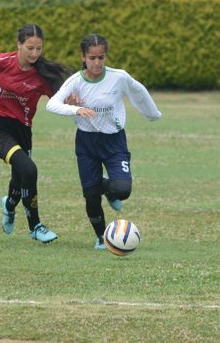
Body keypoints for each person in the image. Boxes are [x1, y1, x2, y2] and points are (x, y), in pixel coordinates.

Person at [46, 34, 162, 250]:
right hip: (86, 142)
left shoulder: (119, 77)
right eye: (92, 58)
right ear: (83, 57)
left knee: (122, 190)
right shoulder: (75, 82)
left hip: (114, 141)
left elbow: (139, 92)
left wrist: (152, 114)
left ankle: (109, 190)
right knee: (90, 195)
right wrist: (76, 108)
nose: (97, 63)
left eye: (101, 57)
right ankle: (101, 237)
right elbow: (52, 104)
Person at [0, 23, 71, 243]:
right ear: (19, 45)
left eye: (38, 49)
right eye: (30, 48)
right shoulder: (1, 62)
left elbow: (59, 101)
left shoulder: (42, 76)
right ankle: (35, 226)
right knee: (29, 170)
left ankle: (10, 205)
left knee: (20, 177)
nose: (34, 53)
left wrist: (73, 102)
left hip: (23, 130)